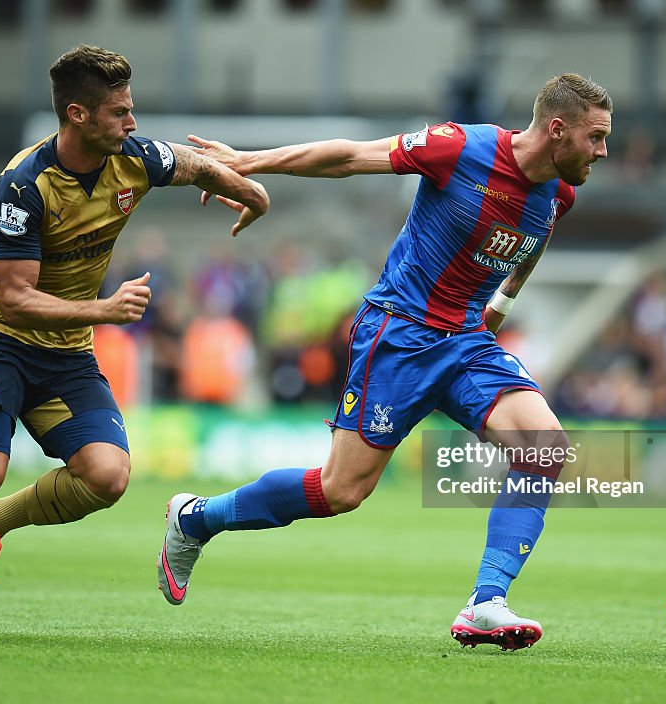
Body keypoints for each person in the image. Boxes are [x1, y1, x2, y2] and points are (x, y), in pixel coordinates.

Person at [0, 45, 269, 641]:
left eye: (131, 110)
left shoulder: (135, 158)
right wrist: (105, 311)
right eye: (119, 112)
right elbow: (14, 296)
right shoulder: (25, 184)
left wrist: (250, 192)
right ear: (78, 115)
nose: (132, 123)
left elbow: (192, 162)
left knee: (107, 476)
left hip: (64, 350)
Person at [158, 73, 611, 651]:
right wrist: (249, 162)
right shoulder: (463, 147)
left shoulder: (560, 194)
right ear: (557, 129)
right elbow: (350, 156)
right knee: (341, 491)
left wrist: (499, 307)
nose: (602, 152)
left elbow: (531, 243)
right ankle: (196, 518)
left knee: (545, 452)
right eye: (595, 138)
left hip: (467, 342)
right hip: (399, 334)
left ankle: (486, 602)